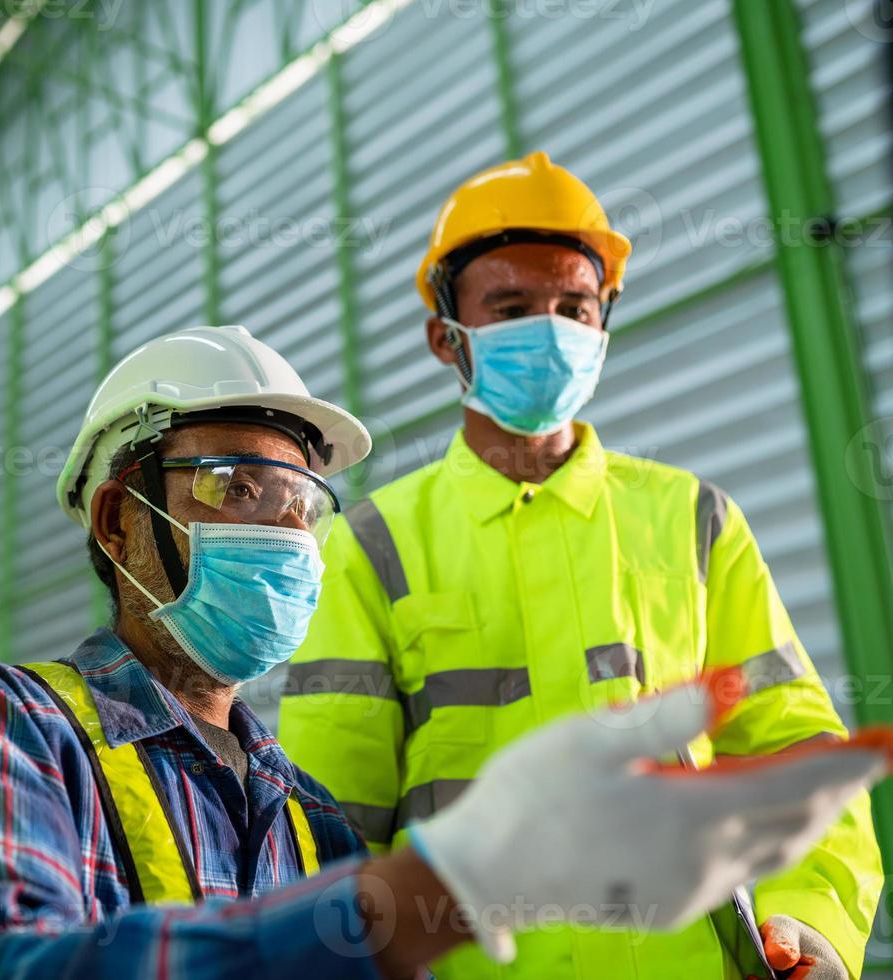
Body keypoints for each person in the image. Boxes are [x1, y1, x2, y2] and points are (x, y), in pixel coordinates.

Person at [0, 324, 887, 979]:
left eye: (300, 503)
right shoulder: (1, 722)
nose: (281, 530)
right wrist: (442, 886)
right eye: (231, 488)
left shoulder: (305, 814)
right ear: (120, 521)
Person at [278, 152, 882, 979]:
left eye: (574, 306)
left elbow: (798, 746)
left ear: (603, 324)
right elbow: (328, 820)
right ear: (444, 337)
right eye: (512, 306)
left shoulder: (694, 519)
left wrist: (813, 914)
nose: (551, 330)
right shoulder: (373, 543)